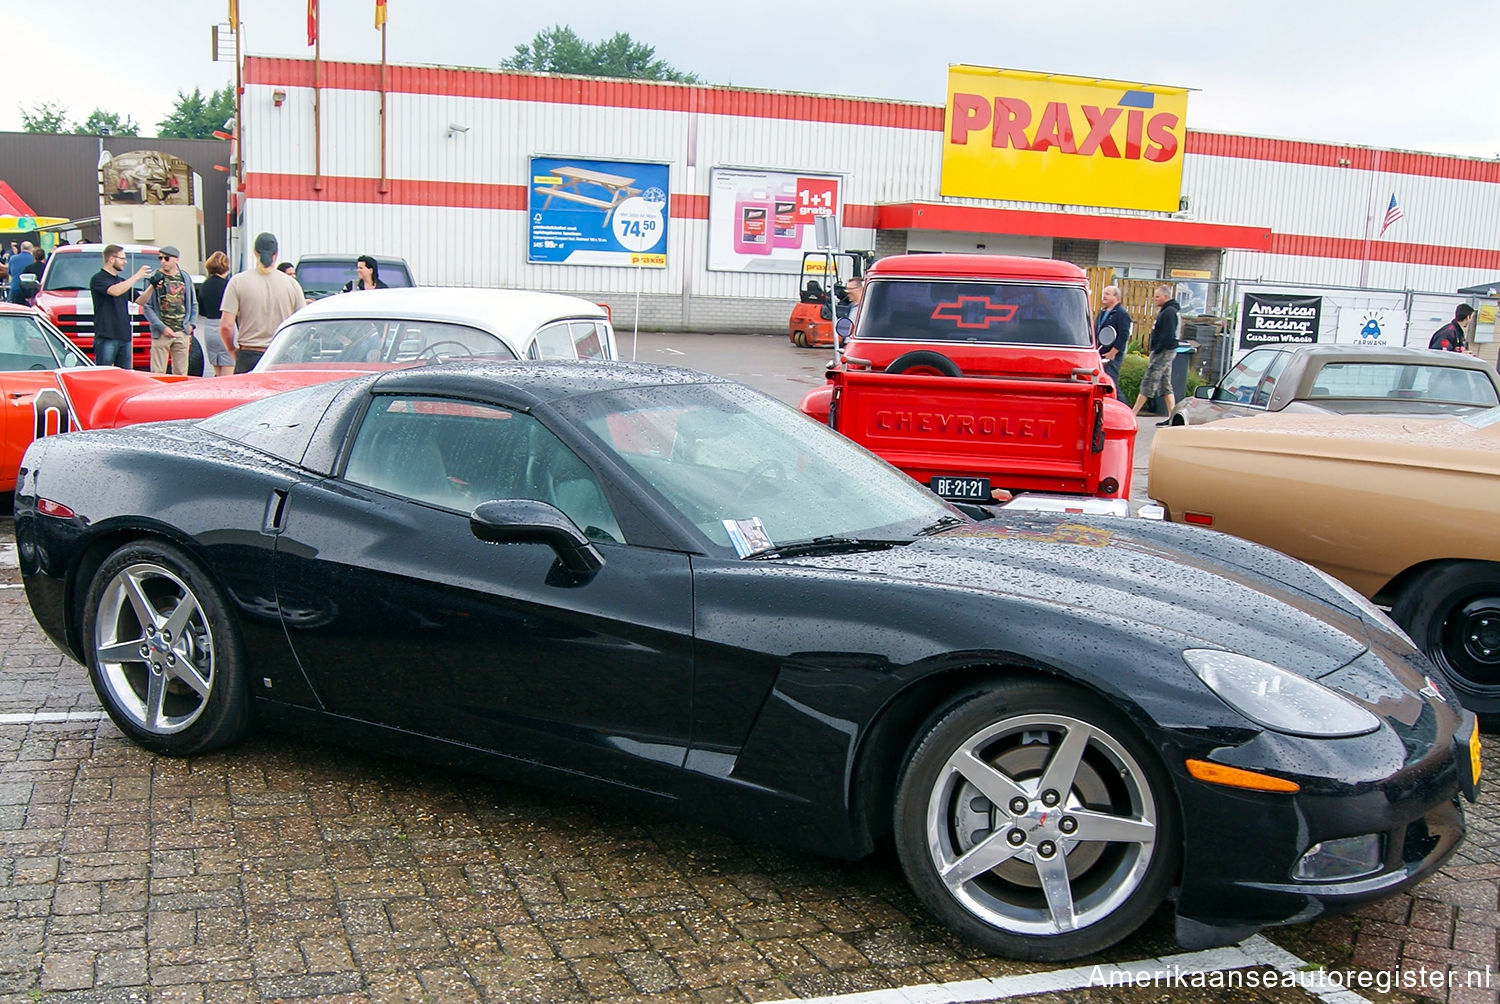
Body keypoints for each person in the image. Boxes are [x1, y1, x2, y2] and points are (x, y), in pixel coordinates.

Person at [220, 232, 305, 374]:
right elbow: (301, 327)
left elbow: (226, 326)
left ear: (255, 252)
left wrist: (231, 349)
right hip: (281, 354)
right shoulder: (292, 284)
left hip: (249, 355)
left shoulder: (238, 282)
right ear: (276, 254)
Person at [137, 246, 197, 375]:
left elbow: (193, 303)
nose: (163, 261)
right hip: (162, 332)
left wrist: (191, 324)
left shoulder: (185, 277)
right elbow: (147, 306)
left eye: (166, 258)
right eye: (160, 258)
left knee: (181, 373)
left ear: (176, 260)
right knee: (158, 373)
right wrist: (161, 327)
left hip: (182, 330)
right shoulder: (154, 277)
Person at [90, 244, 153, 368]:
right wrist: (136, 276)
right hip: (106, 336)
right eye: (122, 258)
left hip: (124, 336)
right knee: (104, 373)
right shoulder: (98, 279)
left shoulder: (122, 281)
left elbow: (140, 300)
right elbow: (115, 291)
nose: (125, 262)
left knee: (126, 374)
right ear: (112, 259)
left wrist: (153, 285)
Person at [1131, 284, 1181, 425]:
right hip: (1165, 351)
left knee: (1149, 381)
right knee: (1165, 384)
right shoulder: (1167, 311)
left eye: (1157, 297)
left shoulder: (1169, 312)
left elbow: (1168, 335)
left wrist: (1157, 349)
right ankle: (1172, 417)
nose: (1155, 299)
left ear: (1166, 297)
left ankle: (1133, 413)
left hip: (1163, 352)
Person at [197, 251, 236, 376]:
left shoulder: (204, 285)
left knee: (217, 371)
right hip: (225, 325)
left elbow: (202, 310)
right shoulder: (228, 285)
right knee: (229, 369)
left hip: (209, 328)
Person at [1095, 284, 1131, 398]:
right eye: (1104, 293)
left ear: (1115, 297)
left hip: (1111, 356)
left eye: (1107, 294)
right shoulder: (1103, 312)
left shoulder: (1121, 314)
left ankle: (1122, 408)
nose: (1104, 296)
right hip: (1100, 353)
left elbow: (1124, 335)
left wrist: (1113, 352)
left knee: (1111, 383)